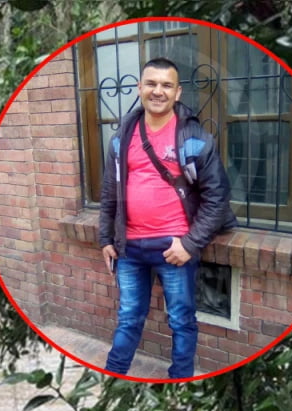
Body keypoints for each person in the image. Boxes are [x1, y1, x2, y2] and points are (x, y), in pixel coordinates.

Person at [98, 57, 237, 379]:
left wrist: (190, 244)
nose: (157, 91)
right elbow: (109, 192)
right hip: (128, 248)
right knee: (129, 317)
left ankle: (181, 380)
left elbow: (217, 198)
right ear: (139, 88)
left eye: (166, 85)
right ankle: (112, 376)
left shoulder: (196, 139)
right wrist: (105, 237)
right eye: (151, 84)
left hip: (173, 248)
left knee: (181, 320)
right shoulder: (121, 137)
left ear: (177, 93)